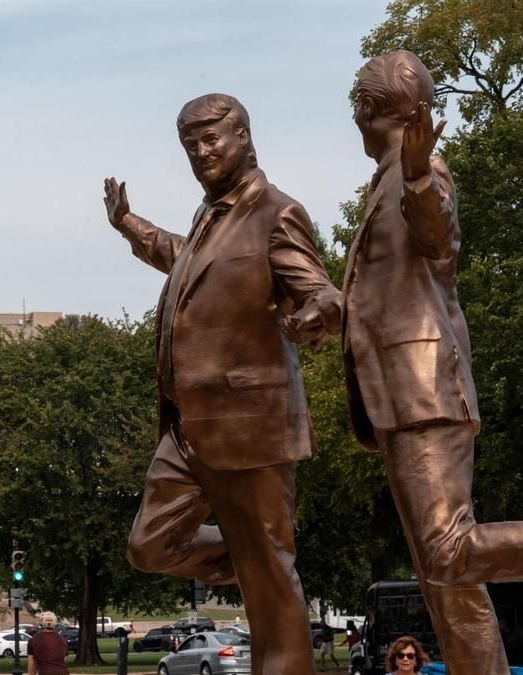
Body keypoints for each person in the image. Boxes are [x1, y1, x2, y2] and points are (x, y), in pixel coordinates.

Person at [284, 48, 523, 675]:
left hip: (422, 391)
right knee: (447, 584)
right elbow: (388, 290)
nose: (353, 119)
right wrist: (328, 313)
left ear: (368, 110)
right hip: (394, 396)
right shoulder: (383, 183)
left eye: (356, 107)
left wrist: (417, 177)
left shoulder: (422, 172)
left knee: (446, 555)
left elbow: (438, 238)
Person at [104, 93, 341, 675]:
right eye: (191, 145)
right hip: (188, 428)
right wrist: (128, 223)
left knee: (272, 583)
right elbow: (184, 259)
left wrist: (317, 314)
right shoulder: (210, 218)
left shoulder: (276, 213)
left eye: (212, 139)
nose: (201, 152)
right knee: (150, 545)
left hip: (253, 427)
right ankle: (254, 553)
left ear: (243, 135)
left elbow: (320, 290)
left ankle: (267, 577)